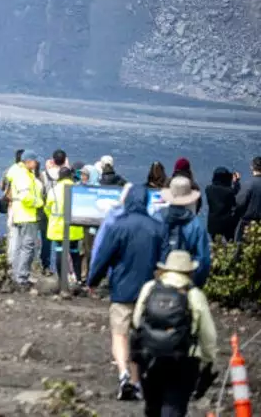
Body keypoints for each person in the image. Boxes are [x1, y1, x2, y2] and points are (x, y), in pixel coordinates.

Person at [87, 184, 167, 401]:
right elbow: (164, 260)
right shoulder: (157, 227)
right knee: (140, 337)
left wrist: (92, 280)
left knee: (119, 334)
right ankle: (136, 380)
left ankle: (122, 373)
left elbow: (104, 256)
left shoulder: (118, 226)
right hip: (149, 291)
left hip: (122, 289)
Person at [131, 250, 221, 417]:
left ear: (165, 269)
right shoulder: (194, 294)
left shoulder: (149, 288)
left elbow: (137, 321)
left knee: (152, 405)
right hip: (183, 359)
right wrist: (208, 362)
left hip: (149, 356)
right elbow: (209, 335)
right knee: (174, 405)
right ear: (189, 272)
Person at [158, 177, 211, 286]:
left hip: (161, 278)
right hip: (185, 280)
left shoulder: (158, 218)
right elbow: (203, 259)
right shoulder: (196, 224)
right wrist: (196, 283)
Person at [6, 153, 45, 287]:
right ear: (28, 161)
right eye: (35, 161)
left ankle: (17, 275)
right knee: (27, 247)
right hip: (26, 215)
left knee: (20, 246)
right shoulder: (23, 175)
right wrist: (39, 202)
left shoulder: (24, 173)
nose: (36, 164)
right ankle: (21, 277)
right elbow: (25, 197)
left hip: (21, 215)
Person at [43, 166, 83, 281]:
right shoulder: (77, 188)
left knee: (60, 251)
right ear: (70, 176)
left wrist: (52, 217)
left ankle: (62, 279)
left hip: (57, 227)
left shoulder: (53, 190)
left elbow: (48, 208)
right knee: (74, 252)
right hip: (74, 226)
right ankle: (78, 278)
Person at [38, 150, 68, 275]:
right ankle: (63, 270)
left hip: (47, 209)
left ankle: (46, 266)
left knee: (46, 240)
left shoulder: (45, 174)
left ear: (53, 160)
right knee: (62, 241)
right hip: (63, 211)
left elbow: (40, 190)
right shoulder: (67, 175)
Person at [204, 167, 240, 242]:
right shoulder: (229, 192)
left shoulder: (208, 190)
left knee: (215, 246)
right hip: (227, 225)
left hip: (213, 224)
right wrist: (236, 182)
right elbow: (235, 195)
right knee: (230, 244)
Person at [236, 157, 261, 241]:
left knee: (241, 249)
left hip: (248, 223)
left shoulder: (248, 185)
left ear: (252, 167)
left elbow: (239, 203)